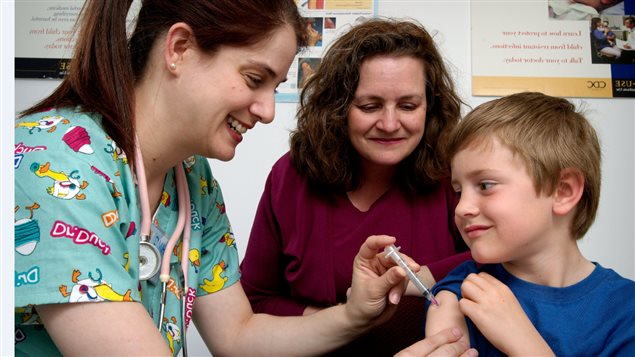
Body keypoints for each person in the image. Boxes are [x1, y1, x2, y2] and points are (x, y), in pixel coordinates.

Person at [14, 2, 427, 356]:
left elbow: (237, 336)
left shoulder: (192, 179)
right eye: (254, 79)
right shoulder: (54, 159)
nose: (267, 110)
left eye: (275, 87)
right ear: (179, 49)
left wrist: (353, 315)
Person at [240, 18, 471, 355]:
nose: (390, 124)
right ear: (339, 107)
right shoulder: (291, 177)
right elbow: (255, 299)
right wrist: (345, 320)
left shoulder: (455, 174)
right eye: (369, 106)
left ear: (430, 106)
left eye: (408, 106)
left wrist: (411, 281)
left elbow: (508, 260)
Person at [425, 92, 635, 356]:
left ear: (563, 191)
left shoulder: (626, 311)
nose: (462, 207)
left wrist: (524, 344)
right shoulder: (460, 292)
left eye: (485, 185)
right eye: (458, 191)